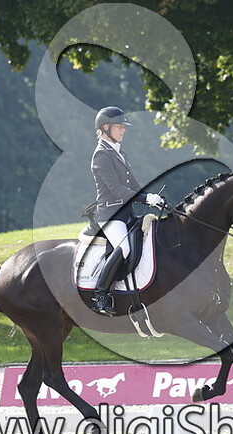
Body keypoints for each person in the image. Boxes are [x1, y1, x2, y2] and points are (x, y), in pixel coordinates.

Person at [90, 106, 164, 316]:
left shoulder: (118, 152)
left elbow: (133, 186)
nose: (124, 130)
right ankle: (100, 295)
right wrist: (144, 199)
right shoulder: (101, 155)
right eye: (119, 126)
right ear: (106, 127)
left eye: (124, 127)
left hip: (126, 214)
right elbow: (116, 189)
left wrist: (151, 197)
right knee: (124, 249)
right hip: (110, 215)